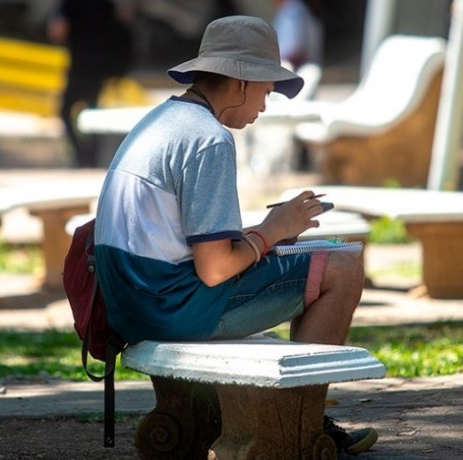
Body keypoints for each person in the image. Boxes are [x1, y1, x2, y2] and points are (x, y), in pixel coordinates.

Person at [93, 15, 377, 455]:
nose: (264, 106)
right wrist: (274, 229)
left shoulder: (164, 121)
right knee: (341, 267)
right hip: (172, 306)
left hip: (135, 302)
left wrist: (264, 237)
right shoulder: (208, 138)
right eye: (265, 91)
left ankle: (291, 415)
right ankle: (300, 425)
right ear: (241, 81)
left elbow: (185, 243)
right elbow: (215, 268)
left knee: (306, 257)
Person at [47, 0, 134, 168]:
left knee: (68, 110)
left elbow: (57, 32)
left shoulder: (71, 4)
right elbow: (121, 26)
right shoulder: (107, 4)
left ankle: (83, 156)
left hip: (81, 64)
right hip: (99, 65)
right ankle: (90, 156)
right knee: (91, 109)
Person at [271, 0, 324, 69]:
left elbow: (294, 47)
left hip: (302, 67)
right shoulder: (286, 9)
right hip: (291, 63)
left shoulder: (295, 9)